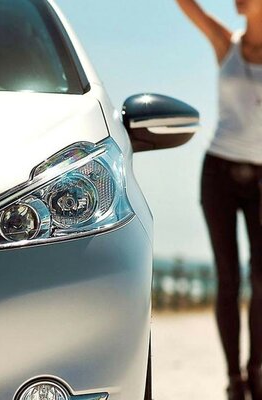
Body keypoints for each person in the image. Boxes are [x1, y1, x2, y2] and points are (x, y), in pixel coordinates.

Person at [175, 0, 262, 399]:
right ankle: (234, 379)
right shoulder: (226, 43)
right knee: (228, 279)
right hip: (219, 174)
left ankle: (256, 371)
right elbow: (186, 6)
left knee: (261, 279)